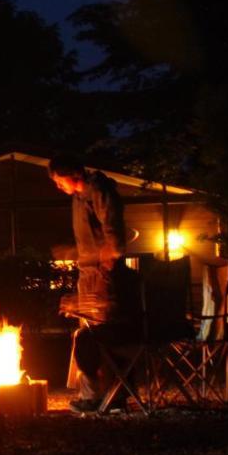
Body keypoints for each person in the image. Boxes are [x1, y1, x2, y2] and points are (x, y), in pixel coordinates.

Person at [48, 154, 140, 413]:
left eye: (59, 180)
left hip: (102, 277)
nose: (58, 186)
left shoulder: (99, 191)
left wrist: (105, 267)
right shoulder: (79, 198)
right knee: (88, 334)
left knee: (95, 336)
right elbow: (93, 239)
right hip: (89, 275)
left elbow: (112, 232)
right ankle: (105, 394)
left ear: (74, 173)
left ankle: (107, 395)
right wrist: (75, 253)